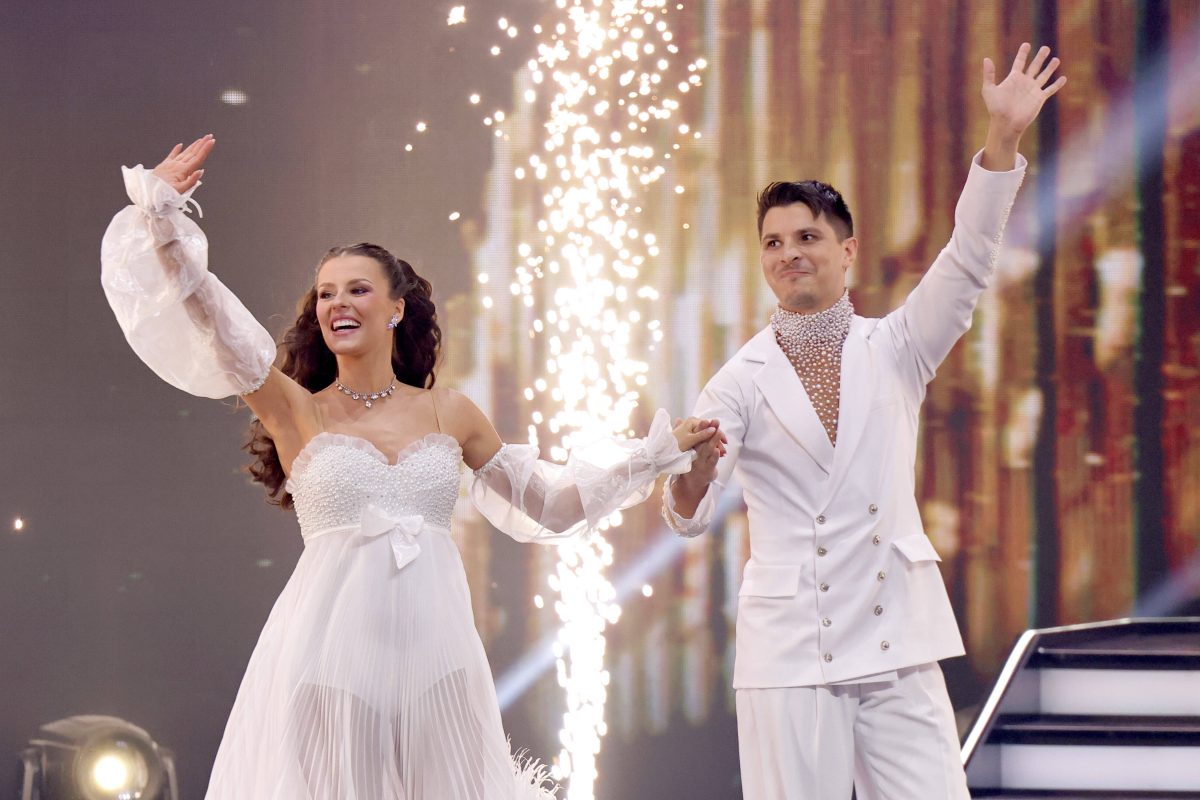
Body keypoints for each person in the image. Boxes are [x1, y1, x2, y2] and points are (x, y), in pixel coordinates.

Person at [100, 136, 720, 800]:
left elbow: (549, 506)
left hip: (437, 662)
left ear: (395, 308)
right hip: (331, 664)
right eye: (326, 293)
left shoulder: (449, 412)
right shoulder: (296, 411)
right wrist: (161, 217)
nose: (338, 303)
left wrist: (653, 454)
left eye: (358, 289)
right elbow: (213, 321)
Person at [663, 44, 1066, 799]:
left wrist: (1003, 139)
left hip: (896, 641)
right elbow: (688, 517)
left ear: (847, 251)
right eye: (774, 243)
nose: (789, 255)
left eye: (807, 237)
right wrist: (691, 479)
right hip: (790, 656)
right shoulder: (738, 380)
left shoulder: (898, 347)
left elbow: (970, 258)